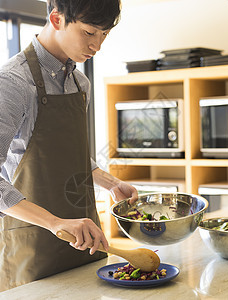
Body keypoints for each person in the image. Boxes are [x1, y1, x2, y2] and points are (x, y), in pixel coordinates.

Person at [0, 0, 138, 291]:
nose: (97, 45)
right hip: (34, 247)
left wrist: (108, 181)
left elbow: (62, 153)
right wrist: (54, 223)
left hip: (87, 242)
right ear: (56, 19)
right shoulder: (12, 84)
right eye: (89, 32)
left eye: (104, 34)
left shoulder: (80, 83)